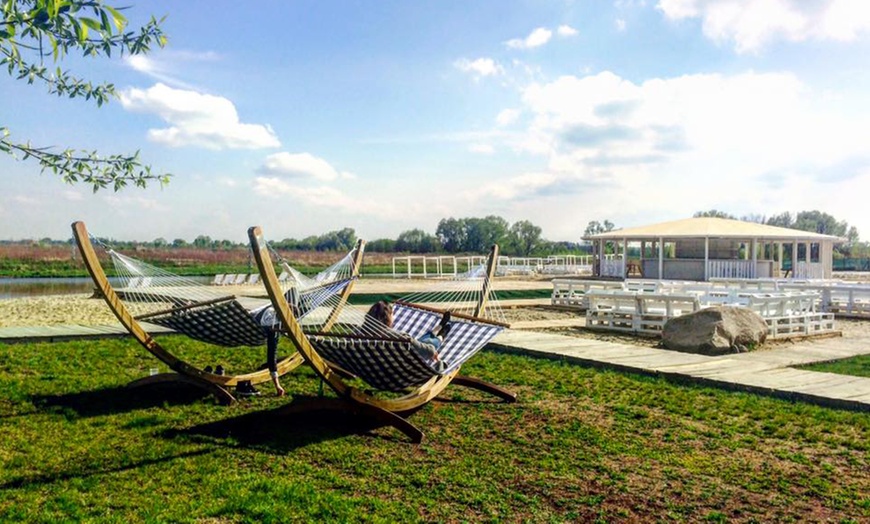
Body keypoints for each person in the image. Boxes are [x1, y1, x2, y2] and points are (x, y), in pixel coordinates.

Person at [363, 301, 451, 368]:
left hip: (374, 371)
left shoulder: (358, 336)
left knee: (420, 342)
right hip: (400, 370)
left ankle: (440, 327)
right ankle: (441, 335)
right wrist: (433, 352)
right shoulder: (400, 337)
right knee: (429, 343)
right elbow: (430, 351)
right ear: (388, 317)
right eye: (392, 314)